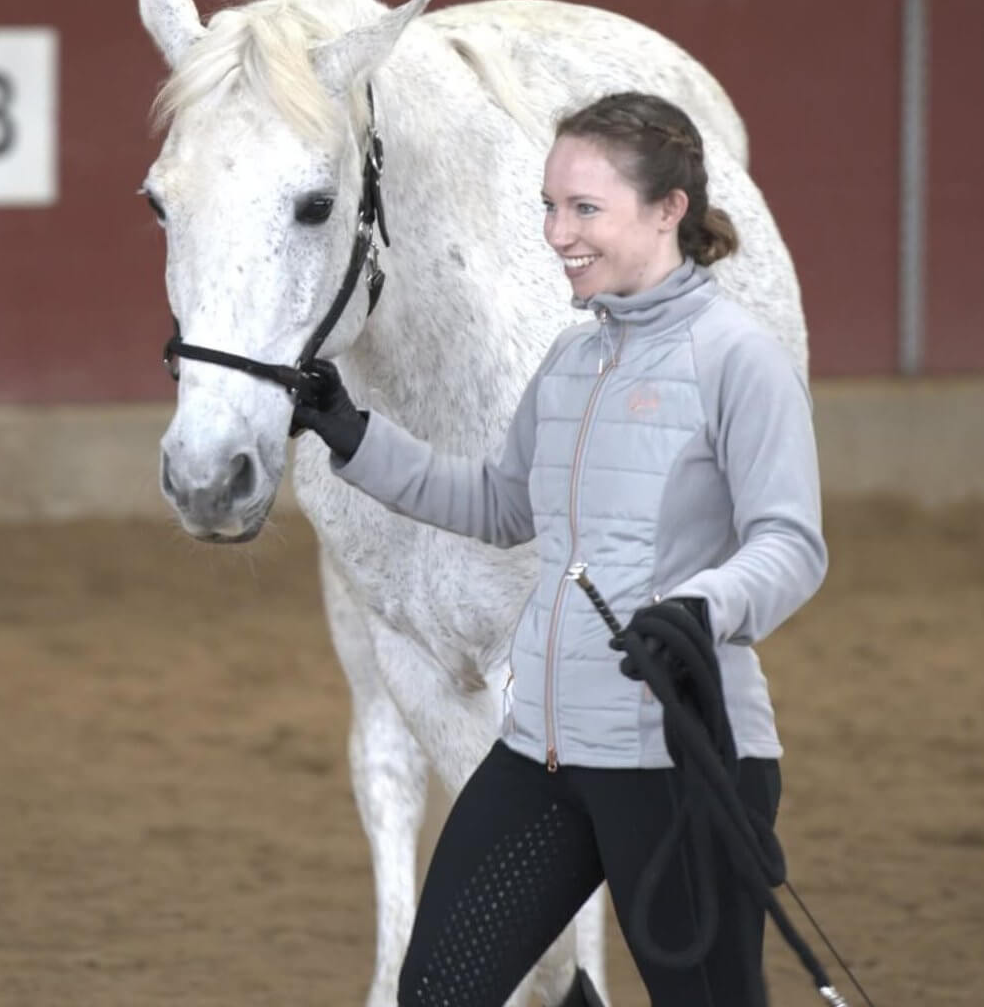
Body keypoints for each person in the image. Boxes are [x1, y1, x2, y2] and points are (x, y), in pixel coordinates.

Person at [290, 91, 828, 1007]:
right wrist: (355, 438)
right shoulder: (573, 361)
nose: (556, 232)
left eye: (584, 208)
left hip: (680, 754)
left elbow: (790, 544)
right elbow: (502, 504)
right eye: (548, 205)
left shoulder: (737, 360)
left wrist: (702, 609)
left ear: (668, 211)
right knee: (442, 991)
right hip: (541, 749)